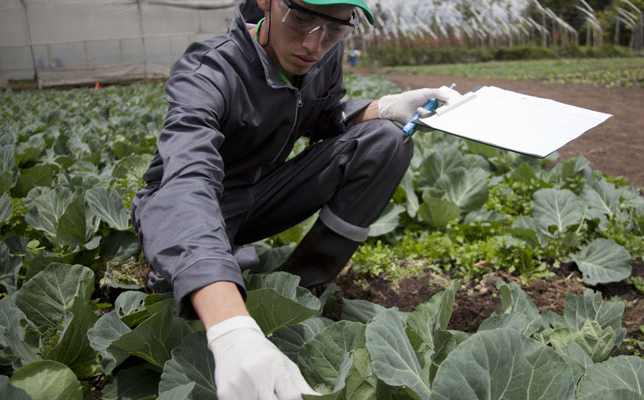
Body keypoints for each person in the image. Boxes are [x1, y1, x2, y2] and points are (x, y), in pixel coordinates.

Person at [130, 0, 461, 398]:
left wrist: (385, 107)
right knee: (183, 303)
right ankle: (207, 274)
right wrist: (230, 327)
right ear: (266, 2)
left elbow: (324, 117)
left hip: (260, 194)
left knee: (387, 140)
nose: (314, 44)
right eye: (301, 17)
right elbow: (187, 182)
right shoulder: (210, 70)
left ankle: (304, 288)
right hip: (193, 202)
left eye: (335, 28)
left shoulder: (321, 55)